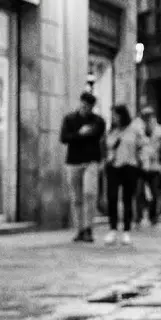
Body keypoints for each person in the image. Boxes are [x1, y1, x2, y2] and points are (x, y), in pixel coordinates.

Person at [59, 90, 107, 243]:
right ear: (80, 103)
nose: (86, 108)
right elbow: (64, 138)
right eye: (84, 105)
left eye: (89, 106)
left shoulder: (98, 121)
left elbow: (97, 135)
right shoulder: (69, 119)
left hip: (91, 161)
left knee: (89, 193)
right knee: (76, 198)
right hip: (73, 162)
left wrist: (81, 135)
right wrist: (80, 134)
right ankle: (79, 229)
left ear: (92, 107)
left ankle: (88, 228)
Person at [103, 104, 146, 246]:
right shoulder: (112, 131)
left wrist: (142, 162)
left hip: (130, 166)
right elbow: (107, 147)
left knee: (128, 199)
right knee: (112, 197)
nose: (114, 118)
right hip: (113, 166)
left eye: (116, 115)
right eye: (112, 115)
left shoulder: (134, 130)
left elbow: (142, 146)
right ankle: (113, 229)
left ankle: (126, 230)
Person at [135, 106, 161, 227]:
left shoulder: (160, 131)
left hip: (155, 166)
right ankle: (138, 216)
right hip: (140, 165)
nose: (146, 119)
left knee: (155, 192)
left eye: (148, 116)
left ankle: (153, 216)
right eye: (144, 117)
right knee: (139, 192)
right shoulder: (138, 130)